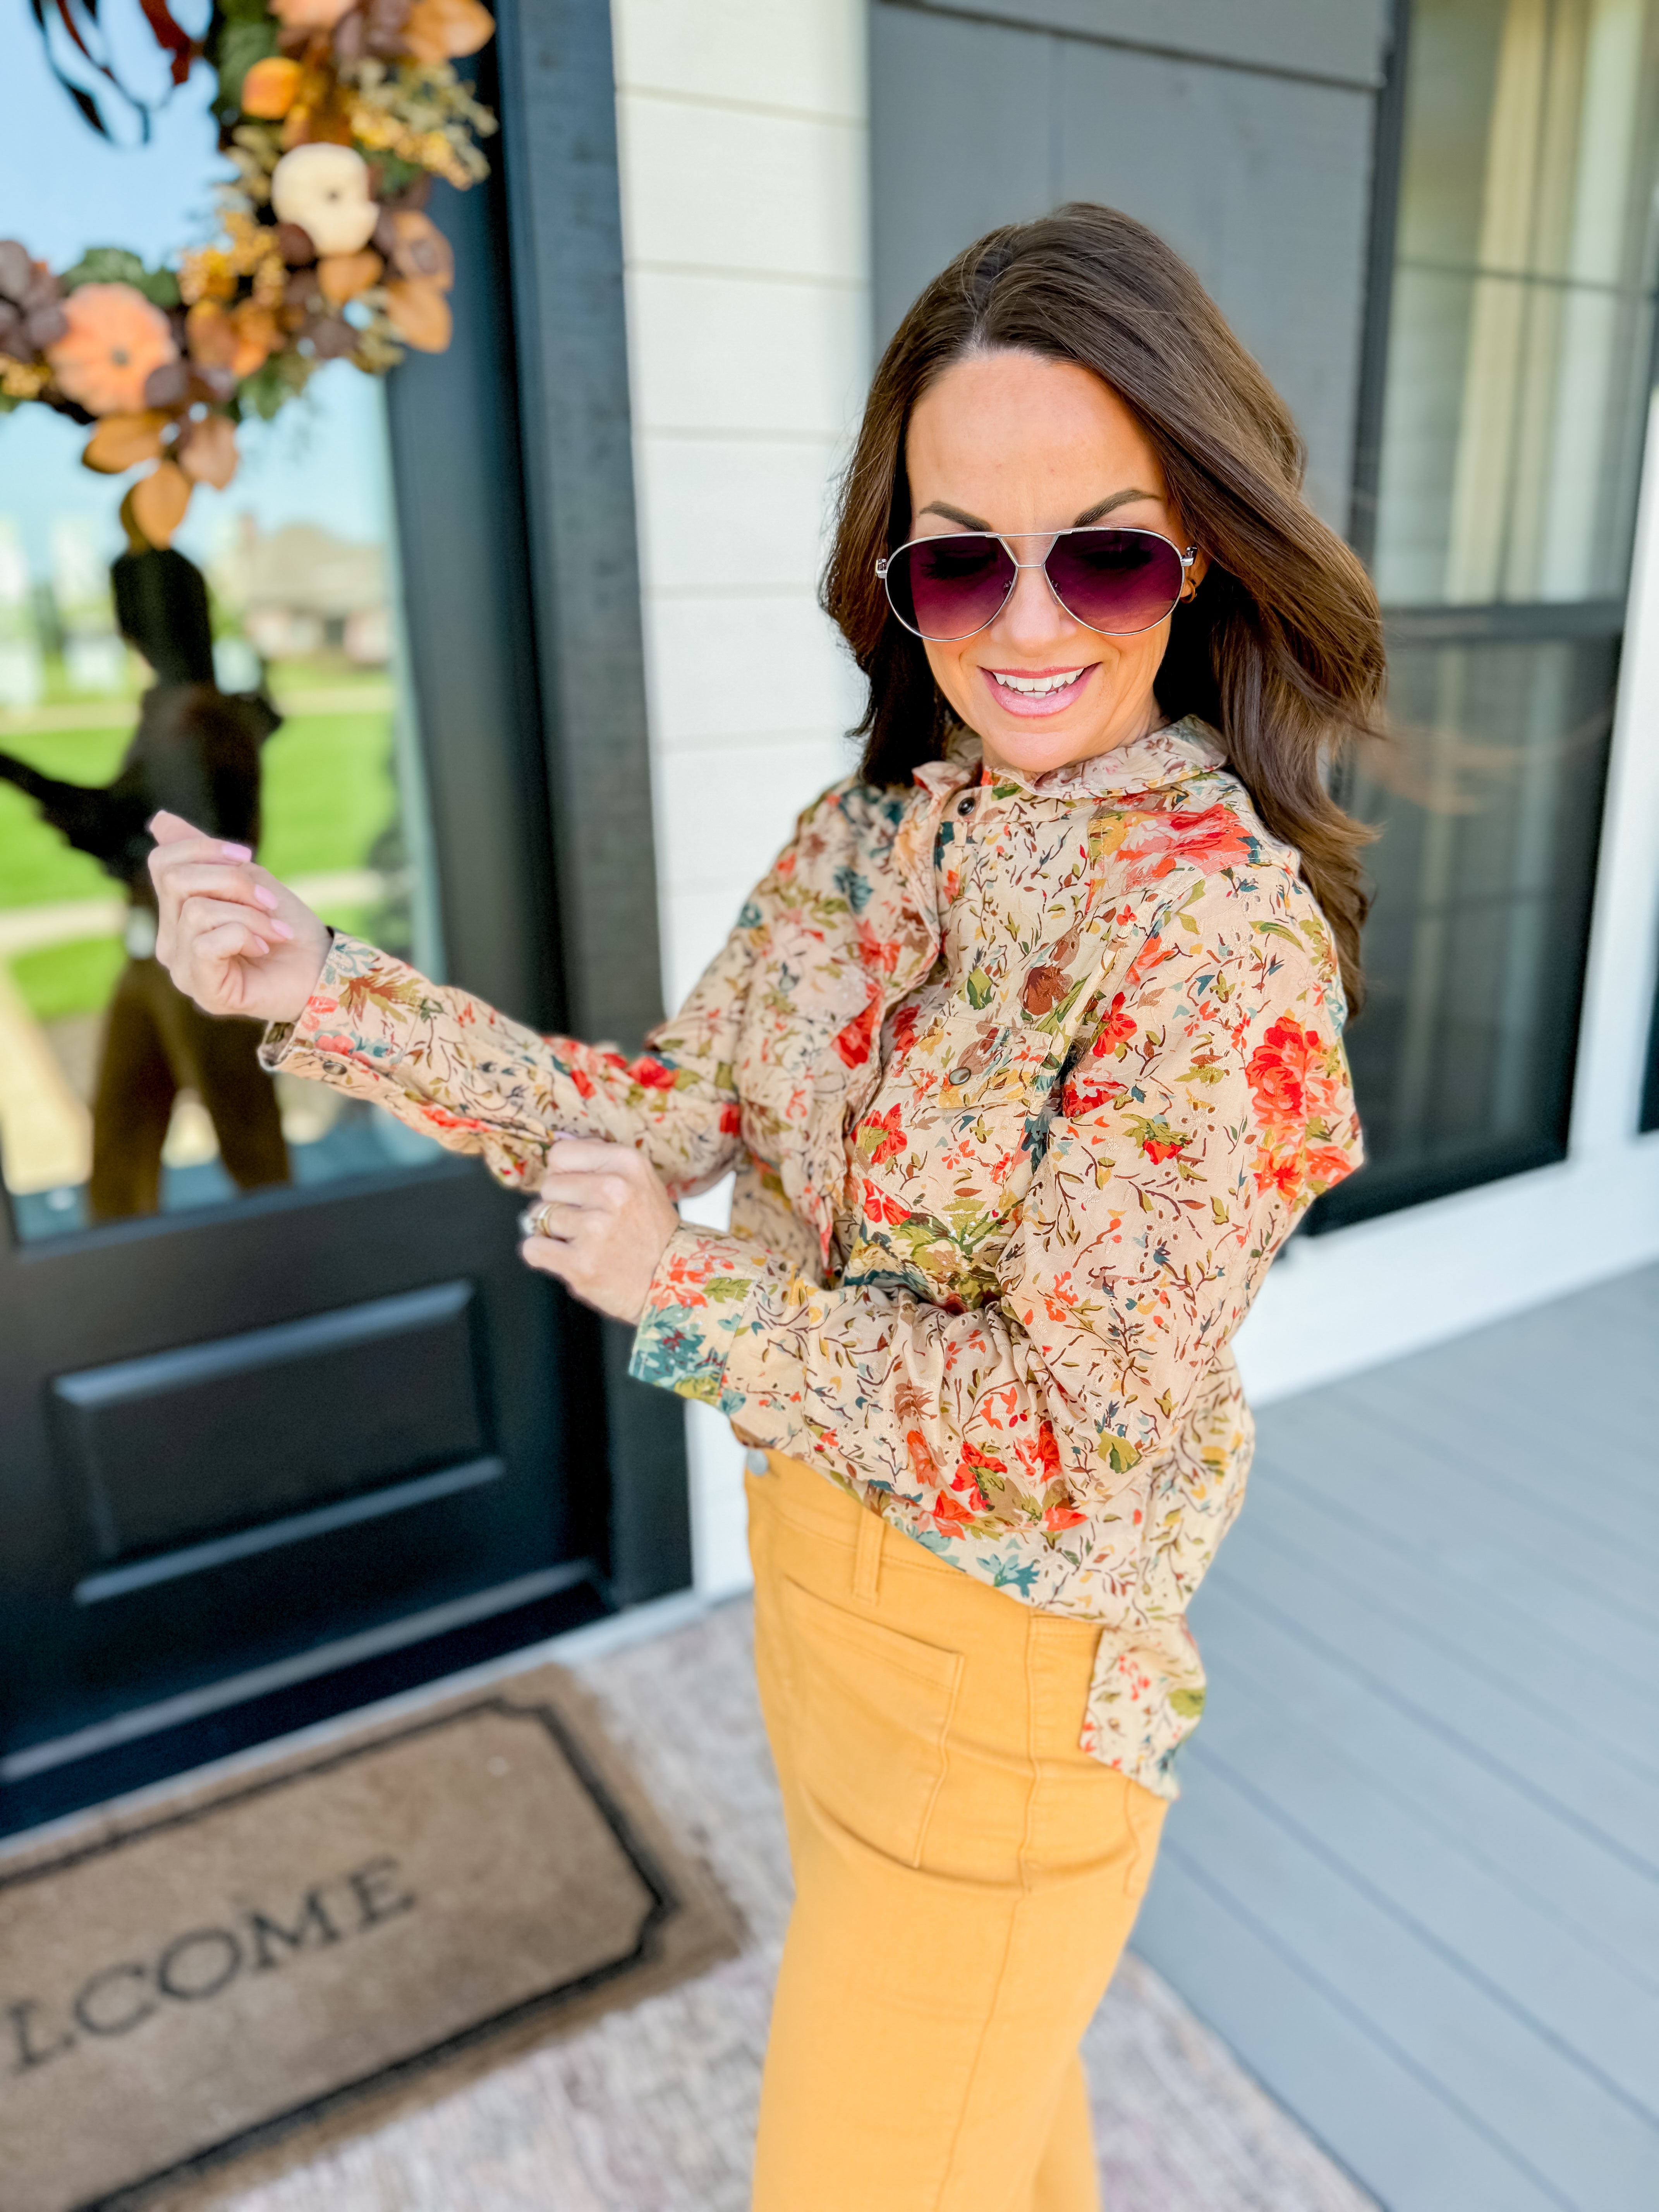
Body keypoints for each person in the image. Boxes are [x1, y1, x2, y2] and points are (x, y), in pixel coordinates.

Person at [147, 205, 1379, 2210]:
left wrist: (691, 1294)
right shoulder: (866, 835)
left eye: (1103, 546)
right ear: (896, 575)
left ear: (1205, 546)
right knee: (995, 2141)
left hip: (1006, 1693)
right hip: (814, 1613)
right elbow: (663, 1105)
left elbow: (1067, 1445)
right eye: (956, 557)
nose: (1026, 621)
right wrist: (320, 988)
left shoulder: (1213, 942)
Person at [0, 544, 288, 1217]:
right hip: (154, 959)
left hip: (206, 964)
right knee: (121, 1144)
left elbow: (134, 831)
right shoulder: (180, 711)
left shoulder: (198, 720)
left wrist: (14, 772)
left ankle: (294, 1280)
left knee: (252, 1153)